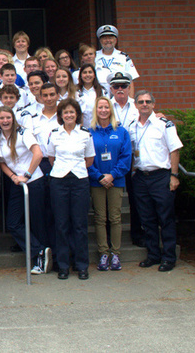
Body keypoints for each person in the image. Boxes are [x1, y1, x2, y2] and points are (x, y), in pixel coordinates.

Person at [0, 106, 51, 274]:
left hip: (34, 181)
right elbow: (1, 162)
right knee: (13, 222)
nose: (5, 121)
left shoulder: (23, 133)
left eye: (8, 118)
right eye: (2, 118)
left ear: (13, 119)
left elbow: (38, 154)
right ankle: (38, 250)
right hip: (17, 183)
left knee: (37, 221)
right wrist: (12, 176)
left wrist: (27, 174)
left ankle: (41, 259)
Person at [128, 91, 183, 272]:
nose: (144, 104)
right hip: (141, 178)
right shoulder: (132, 127)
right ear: (135, 105)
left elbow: (174, 150)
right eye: (141, 102)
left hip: (161, 177)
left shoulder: (164, 124)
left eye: (148, 102)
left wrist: (174, 175)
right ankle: (153, 255)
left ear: (153, 104)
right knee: (147, 219)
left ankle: (168, 257)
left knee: (165, 218)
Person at [47, 98, 95, 280]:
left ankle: (82, 265)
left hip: (79, 181)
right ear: (61, 115)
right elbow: (51, 157)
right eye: (65, 112)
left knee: (80, 224)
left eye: (72, 112)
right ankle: (63, 265)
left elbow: (89, 159)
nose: (68, 115)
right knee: (61, 224)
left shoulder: (85, 134)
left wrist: (75, 169)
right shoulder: (54, 134)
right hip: (58, 180)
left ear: (77, 115)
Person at [88, 97, 132, 271]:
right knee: (100, 218)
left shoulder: (121, 132)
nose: (104, 110)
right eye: (100, 107)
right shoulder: (89, 132)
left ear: (111, 110)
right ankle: (103, 253)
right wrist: (99, 177)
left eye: (106, 107)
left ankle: (116, 254)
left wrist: (112, 175)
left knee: (115, 218)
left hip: (116, 181)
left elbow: (126, 157)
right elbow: (87, 158)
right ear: (96, 110)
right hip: (97, 181)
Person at [108, 71, 144, 247]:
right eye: (116, 86)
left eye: (123, 86)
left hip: (133, 157)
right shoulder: (105, 106)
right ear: (111, 89)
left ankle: (137, 233)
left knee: (135, 197)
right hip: (111, 159)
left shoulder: (138, 106)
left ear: (130, 88)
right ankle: (109, 236)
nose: (120, 89)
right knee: (110, 199)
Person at [94, 25, 139, 95]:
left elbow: (130, 81)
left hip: (118, 96)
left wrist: (131, 101)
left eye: (110, 38)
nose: (108, 41)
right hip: (97, 95)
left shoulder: (124, 57)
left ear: (115, 40)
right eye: (105, 38)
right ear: (100, 41)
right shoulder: (94, 56)